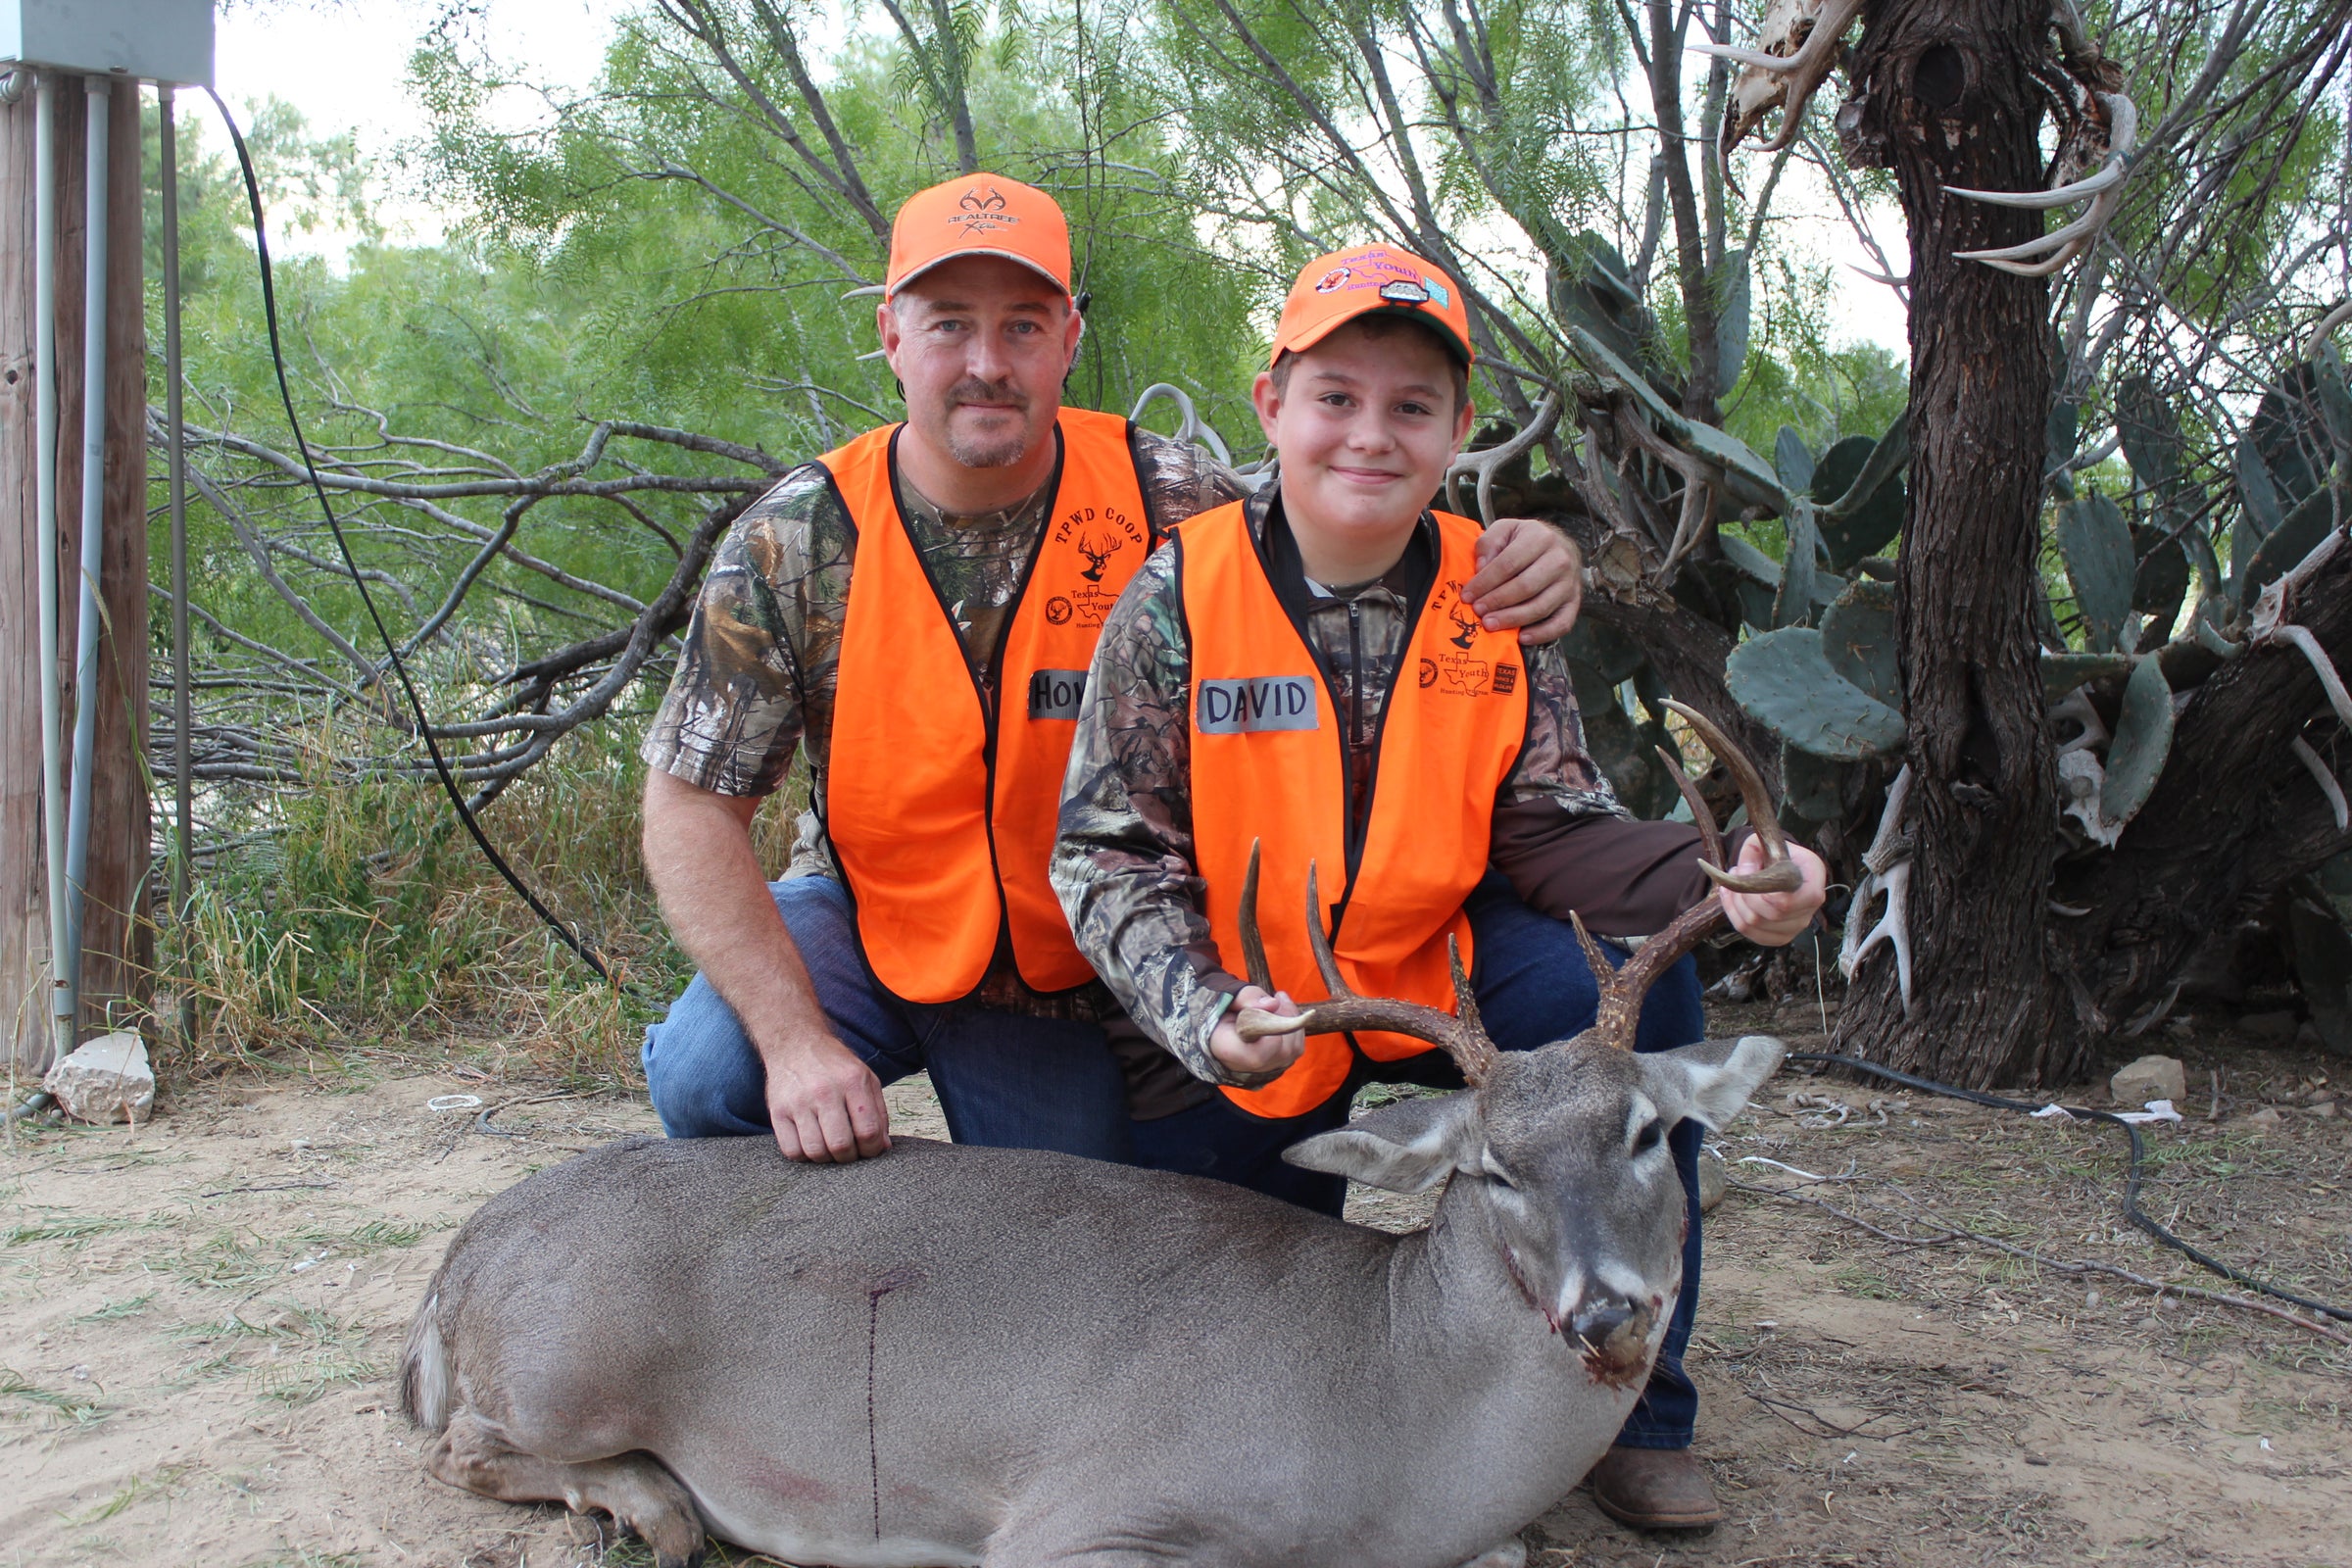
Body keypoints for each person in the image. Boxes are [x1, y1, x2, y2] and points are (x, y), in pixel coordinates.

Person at [1053, 244, 1829, 1532]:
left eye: (1411, 407)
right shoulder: (1176, 594)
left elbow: (1552, 826)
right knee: (1234, 1320)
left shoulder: (1494, 594)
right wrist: (1200, 1014)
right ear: (1272, 407)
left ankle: (1637, 1403)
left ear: (1460, 429)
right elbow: (1106, 851)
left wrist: (1732, 877)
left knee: (1644, 1014)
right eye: (1336, 397)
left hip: (1447, 981)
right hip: (1258, 1017)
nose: (1371, 434)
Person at [637, 178, 1585, 1169]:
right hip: (871, 917)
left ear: (1072, 338)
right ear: (891, 335)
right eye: (950, 325)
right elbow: (690, 809)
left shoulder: (1174, 501)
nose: (986, 364)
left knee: (1074, 1218)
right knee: (710, 1076)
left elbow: (1353, 518)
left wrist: (1523, 555)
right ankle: (830, 1294)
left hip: (1083, 972)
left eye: (1023, 327)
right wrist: (794, 1048)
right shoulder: (798, 537)